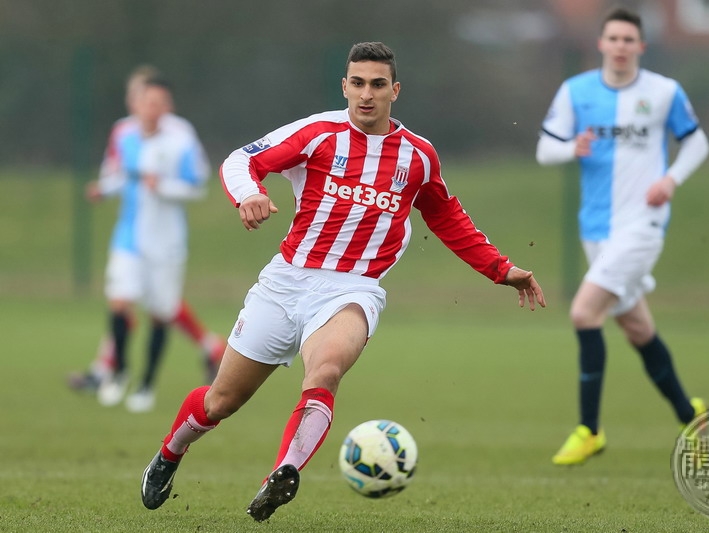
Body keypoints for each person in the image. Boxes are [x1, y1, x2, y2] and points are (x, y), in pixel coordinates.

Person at [140, 41, 547, 521]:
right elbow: (239, 160)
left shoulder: (417, 157)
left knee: (326, 370)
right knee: (221, 400)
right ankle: (170, 454)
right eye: (358, 83)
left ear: (395, 91)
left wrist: (501, 270)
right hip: (286, 283)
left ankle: (283, 473)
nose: (367, 95)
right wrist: (249, 194)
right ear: (345, 86)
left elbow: (447, 217)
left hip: (353, 289)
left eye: (378, 85)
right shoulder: (318, 133)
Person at [535, 6, 709, 466]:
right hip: (595, 229)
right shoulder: (577, 92)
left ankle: (588, 430)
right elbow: (544, 149)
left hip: (644, 225)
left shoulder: (664, 91)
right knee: (637, 328)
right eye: (612, 38)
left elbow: (697, 141)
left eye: (628, 40)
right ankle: (690, 415)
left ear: (641, 46)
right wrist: (571, 147)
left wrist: (670, 179)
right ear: (601, 44)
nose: (620, 46)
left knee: (583, 312)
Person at [88, 74, 212, 413]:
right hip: (128, 239)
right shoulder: (124, 134)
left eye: (158, 102)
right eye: (146, 101)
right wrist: (103, 189)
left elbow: (198, 185)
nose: (151, 108)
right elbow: (116, 175)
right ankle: (119, 370)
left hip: (167, 243)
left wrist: (164, 186)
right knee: (119, 303)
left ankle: (146, 384)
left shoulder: (180, 140)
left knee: (161, 314)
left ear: (167, 106)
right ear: (136, 103)